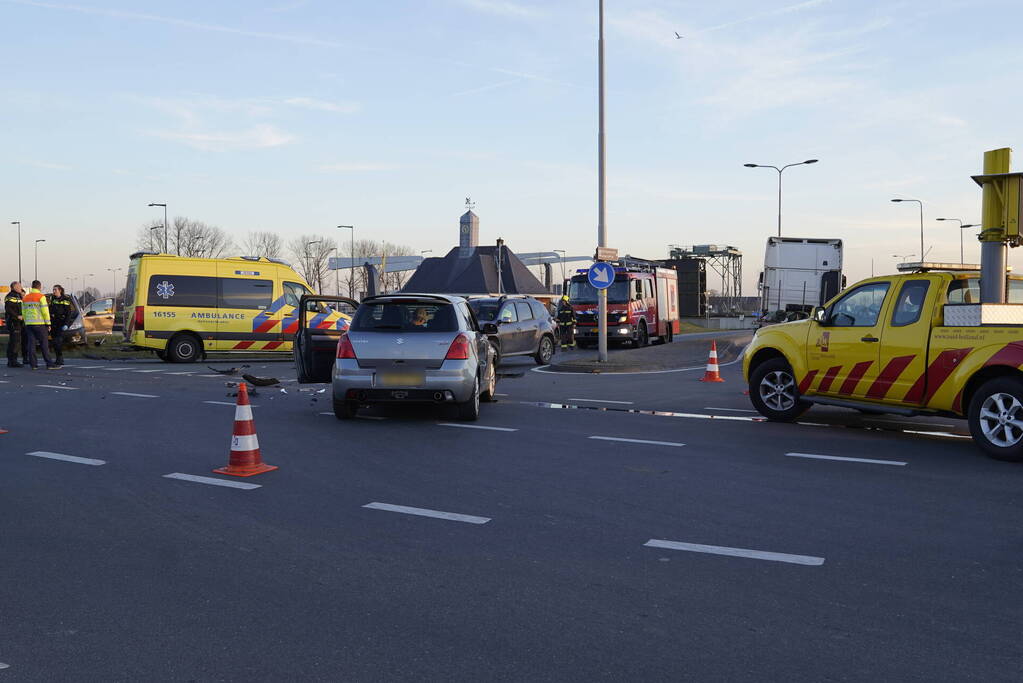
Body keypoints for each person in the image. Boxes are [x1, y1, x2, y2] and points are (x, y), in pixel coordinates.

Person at [21, 280, 56, 370]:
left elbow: (23, 312)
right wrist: (48, 323)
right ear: (39, 287)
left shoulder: (25, 298)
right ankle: (49, 364)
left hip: (29, 324)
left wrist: (26, 321)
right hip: (40, 324)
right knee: (44, 344)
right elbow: (45, 311)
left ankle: (33, 365)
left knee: (31, 345)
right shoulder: (41, 297)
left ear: (32, 287)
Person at [48, 284, 77, 367]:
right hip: (54, 323)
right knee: (54, 342)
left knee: (58, 341)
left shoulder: (65, 299)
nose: (53, 291)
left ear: (60, 290)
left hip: (61, 323)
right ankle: (58, 359)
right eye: (53, 290)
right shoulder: (53, 299)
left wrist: (66, 324)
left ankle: (60, 359)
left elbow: (68, 313)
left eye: (55, 290)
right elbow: (50, 310)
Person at [4, 281, 25, 367]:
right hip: (13, 322)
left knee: (15, 341)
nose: (21, 287)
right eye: (19, 286)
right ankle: (13, 361)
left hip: (18, 322)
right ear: (14, 287)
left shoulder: (18, 296)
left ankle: (11, 360)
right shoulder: (10, 296)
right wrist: (17, 316)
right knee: (15, 342)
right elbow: (8, 309)